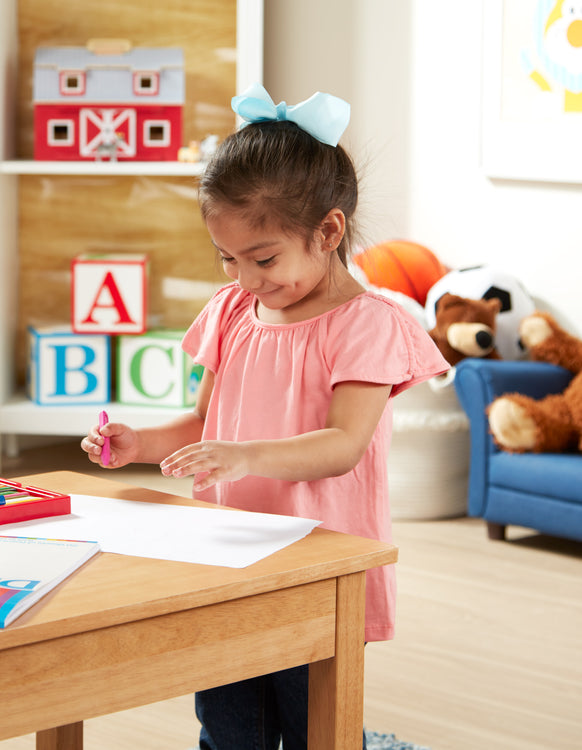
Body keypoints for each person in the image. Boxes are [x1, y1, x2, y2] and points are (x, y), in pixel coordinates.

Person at [81, 83, 450, 750]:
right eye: (227, 257)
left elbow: (343, 444)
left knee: (314, 726)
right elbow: (203, 424)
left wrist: (244, 454)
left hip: (316, 567)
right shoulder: (230, 311)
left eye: (264, 259)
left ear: (328, 231)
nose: (245, 278)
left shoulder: (367, 326)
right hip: (228, 558)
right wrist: (135, 441)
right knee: (228, 726)